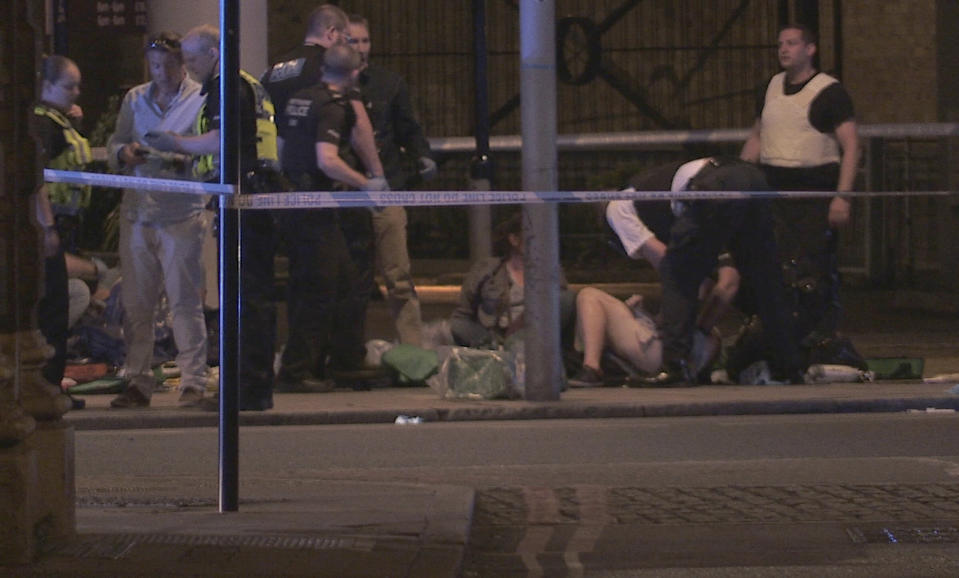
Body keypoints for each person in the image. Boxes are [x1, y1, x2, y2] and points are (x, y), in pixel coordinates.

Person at [146, 24, 281, 411]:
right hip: (246, 198)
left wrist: (174, 142)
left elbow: (220, 142)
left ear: (213, 53)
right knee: (247, 297)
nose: (186, 67)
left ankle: (246, 391)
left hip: (246, 202)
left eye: (190, 59)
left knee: (245, 298)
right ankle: (249, 388)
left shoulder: (227, 89)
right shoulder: (240, 85)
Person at [273, 43, 386, 392]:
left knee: (341, 279)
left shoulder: (300, 97)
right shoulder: (334, 107)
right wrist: (368, 184)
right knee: (319, 289)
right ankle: (296, 372)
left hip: (297, 200)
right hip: (315, 206)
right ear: (354, 74)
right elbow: (328, 160)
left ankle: (340, 360)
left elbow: (281, 147)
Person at [105, 32, 208, 409]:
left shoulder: (200, 98)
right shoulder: (135, 98)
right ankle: (137, 380)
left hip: (181, 213)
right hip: (138, 213)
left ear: (182, 64)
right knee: (137, 304)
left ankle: (193, 381)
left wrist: (180, 155)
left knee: (185, 302)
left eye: (168, 64)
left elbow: (212, 149)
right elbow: (114, 145)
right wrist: (124, 153)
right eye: (154, 65)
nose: (161, 72)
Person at [740, 23, 859, 341]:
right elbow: (756, 137)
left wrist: (842, 197)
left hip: (814, 195)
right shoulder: (770, 87)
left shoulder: (829, 92)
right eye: (781, 43)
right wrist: (737, 180)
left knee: (815, 269)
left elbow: (851, 147)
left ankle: (821, 335)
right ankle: (779, 333)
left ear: (810, 49)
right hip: (773, 192)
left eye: (792, 43)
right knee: (773, 267)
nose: (784, 49)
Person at [642, 157, 803, 387]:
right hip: (750, 179)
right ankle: (789, 366)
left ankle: (675, 365)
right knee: (766, 279)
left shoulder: (632, 206)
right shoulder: (667, 191)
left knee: (676, 271)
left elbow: (687, 266)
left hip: (717, 184)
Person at [348, 13, 437, 346]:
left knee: (398, 275)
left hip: (387, 190)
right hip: (348, 192)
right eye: (353, 41)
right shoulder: (330, 85)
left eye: (365, 40)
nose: (361, 48)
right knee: (352, 280)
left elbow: (409, 127)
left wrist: (423, 154)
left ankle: (415, 350)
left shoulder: (389, 84)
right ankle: (349, 351)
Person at [261, 4, 384, 182]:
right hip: (326, 175)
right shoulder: (332, 67)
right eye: (347, 38)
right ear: (332, 33)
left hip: (282, 175)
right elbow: (359, 124)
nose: (350, 47)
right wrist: (376, 173)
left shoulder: (273, 69)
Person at [33, 55, 90, 391]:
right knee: (52, 312)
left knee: (57, 308)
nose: (77, 93)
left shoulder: (56, 121)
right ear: (46, 86)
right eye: (69, 86)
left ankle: (49, 384)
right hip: (47, 228)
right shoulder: (44, 125)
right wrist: (47, 226)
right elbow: (36, 179)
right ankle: (48, 389)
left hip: (56, 226)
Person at [450, 213, 576, 349]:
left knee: (566, 299)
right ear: (514, 239)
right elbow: (462, 316)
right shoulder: (488, 270)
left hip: (537, 338)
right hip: (496, 337)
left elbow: (563, 308)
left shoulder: (550, 271)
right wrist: (484, 339)